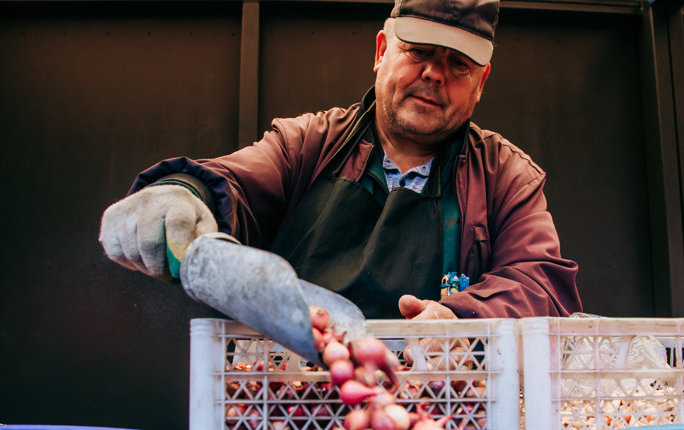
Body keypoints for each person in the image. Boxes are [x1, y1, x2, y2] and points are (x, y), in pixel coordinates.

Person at [99, 0, 581, 321]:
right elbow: (236, 182)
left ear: (481, 83)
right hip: (295, 403)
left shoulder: (506, 176)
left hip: (445, 417)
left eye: (459, 65)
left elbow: (541, 283)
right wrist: (185, 193)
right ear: (380, 51)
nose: (435, 74)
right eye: (419, 52)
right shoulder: (307, 144)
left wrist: (460, 316)